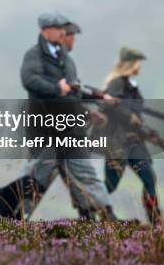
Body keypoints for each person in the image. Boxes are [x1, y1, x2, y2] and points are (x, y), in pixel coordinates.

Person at [19, 11, 115, 220]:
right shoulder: (33, 55)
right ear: (45, 31)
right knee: (36, 176)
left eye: (64, 28)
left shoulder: (67, 60)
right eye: (59, 28)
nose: (64, 32)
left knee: (84, 173)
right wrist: (55, 88)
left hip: (71, 128)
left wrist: (95, 100)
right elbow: (29, 80)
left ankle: (106, 217)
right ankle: (13, 218)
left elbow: (73, 91)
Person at [102, 47, 162, 224]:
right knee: (110, 185)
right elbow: (110, 105)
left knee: (149, 178)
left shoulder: (130, 86)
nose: (140, 66)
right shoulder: (117, 84)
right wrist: (129, 116)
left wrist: (148, 133)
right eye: (138, 63)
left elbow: (135, 116)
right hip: (118, 143)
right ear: (131, 64)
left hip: (134, 142)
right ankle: (93, 211)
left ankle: (156, 220)